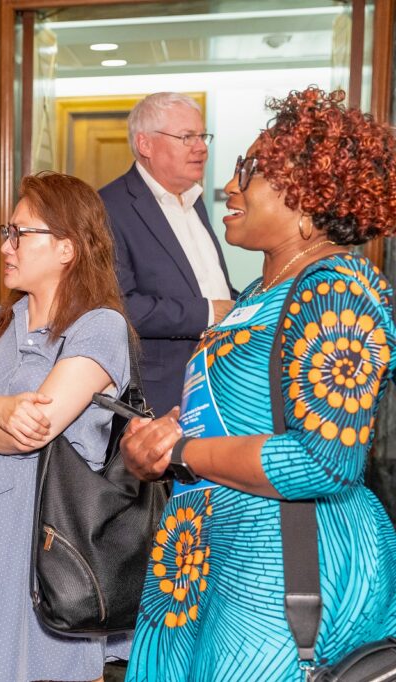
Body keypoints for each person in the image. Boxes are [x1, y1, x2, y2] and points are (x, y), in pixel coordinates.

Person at [120, 86, 396, 681]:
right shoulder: (260, 293)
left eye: (249, 172)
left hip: (280, 566)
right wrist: (165, 437)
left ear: (306, 196)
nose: (228, 186)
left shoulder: (337, 289)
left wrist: (184, 451)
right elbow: (245, 411)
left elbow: (323, 462)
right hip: (213, 549)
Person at [0, 171, 132, 681]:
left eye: (22, 233)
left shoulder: (98, 326)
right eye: (6, 231)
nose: (7, 246)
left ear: (67, 248)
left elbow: (35, 431)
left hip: (52, 528)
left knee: (53, 667)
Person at [99, 92, 236, 416]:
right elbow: (118, 306)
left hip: (218, 384)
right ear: (145, 144)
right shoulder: (109, 206)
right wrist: (207, 313)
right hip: (159, 398)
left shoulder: (193, 200)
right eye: (187, 137)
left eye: (202, 136)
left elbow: (205, 284)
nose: (201, 147)